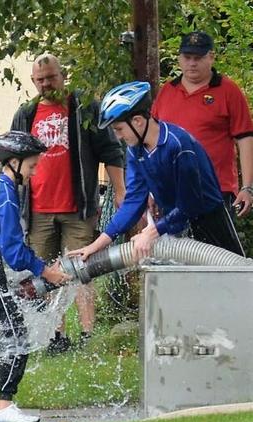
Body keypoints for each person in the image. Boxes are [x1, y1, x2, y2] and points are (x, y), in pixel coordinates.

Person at [11, 53, 126, 353]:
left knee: (82, 270)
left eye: (51, 77)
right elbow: (13, 159)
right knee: (46, 273)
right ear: (34, 81)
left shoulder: (84, 108)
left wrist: (122, 192)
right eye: (41, 80)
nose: (47, 84)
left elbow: (110, 151)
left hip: (77, 206)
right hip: (36, 210)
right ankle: (56, 336)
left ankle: (88, 335)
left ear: (63, 75)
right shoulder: (26, 113)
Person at [72, 81, 245, 263]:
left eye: (119, 129)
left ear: (137, 121)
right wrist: (98, 244)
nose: (118, 136)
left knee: (232, 277)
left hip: (210, 222)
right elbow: (133, 200)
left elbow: (190, 203)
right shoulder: (136, 149)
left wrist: (152, 232)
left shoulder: (178, 145)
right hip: (174, 224)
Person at [0, 131, 71, 422]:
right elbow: (13, 250)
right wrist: (43, 270)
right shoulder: (5, 193)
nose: (34, 172)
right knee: (18, 338)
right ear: (13, 162)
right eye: (31, 166)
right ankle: (5, 405)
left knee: (0, 340)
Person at [152, 31, 253, 220]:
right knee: (172, 250)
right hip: (172, 192)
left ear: (211, 57)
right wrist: (150, 189)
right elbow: (152, 142)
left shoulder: (228, 90)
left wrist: (247, 187)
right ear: (179, 58)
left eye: (198, 58)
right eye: (187, 57)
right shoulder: (167, 91)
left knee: (215, 250)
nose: (192, 63)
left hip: (215, 190)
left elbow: (245, 137)